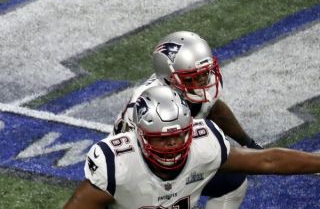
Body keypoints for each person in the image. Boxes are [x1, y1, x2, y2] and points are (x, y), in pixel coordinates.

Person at [63, 85, 320, 209]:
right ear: (141, 136)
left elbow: (268, 161)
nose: (173, 144)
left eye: (179, 134)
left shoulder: (204, 144)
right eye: (162, 138)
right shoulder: (117, 163)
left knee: (234, 180)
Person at [112, 31, 261, 207]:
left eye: (205, 73)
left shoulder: (193, 89)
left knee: (233, 181)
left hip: (177, 157)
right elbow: (133, 164)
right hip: (142, 171)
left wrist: (248, 143)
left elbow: (213, 108)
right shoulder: (146, 105)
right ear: (168, 78)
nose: (203, 81)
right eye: (193, 77)